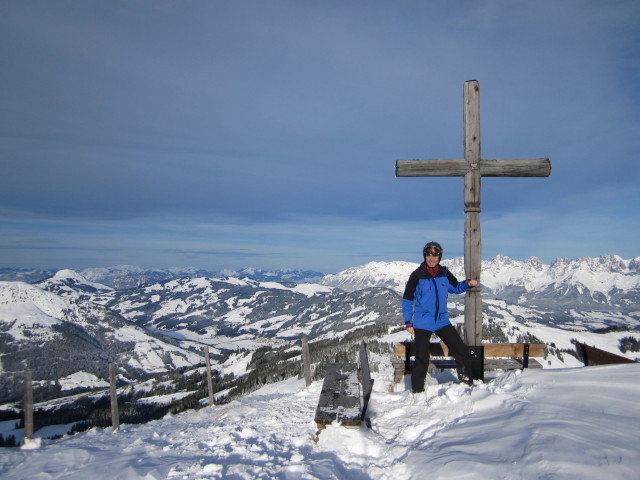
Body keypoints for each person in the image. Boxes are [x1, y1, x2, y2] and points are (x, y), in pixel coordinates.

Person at [402, 241, 479, 393]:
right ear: (425, 256)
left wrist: (467, 283)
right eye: (429, 255)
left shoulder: (444, 273)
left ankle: (466, 384)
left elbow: (455, 287)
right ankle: (417, 391)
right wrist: (408, 322)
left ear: (439, 256)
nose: (432, 258)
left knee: (460, 351)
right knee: (422, 357)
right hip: (423, 321)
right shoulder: (417, 276)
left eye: (435, 255)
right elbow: (407, 299)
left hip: (442, 320)